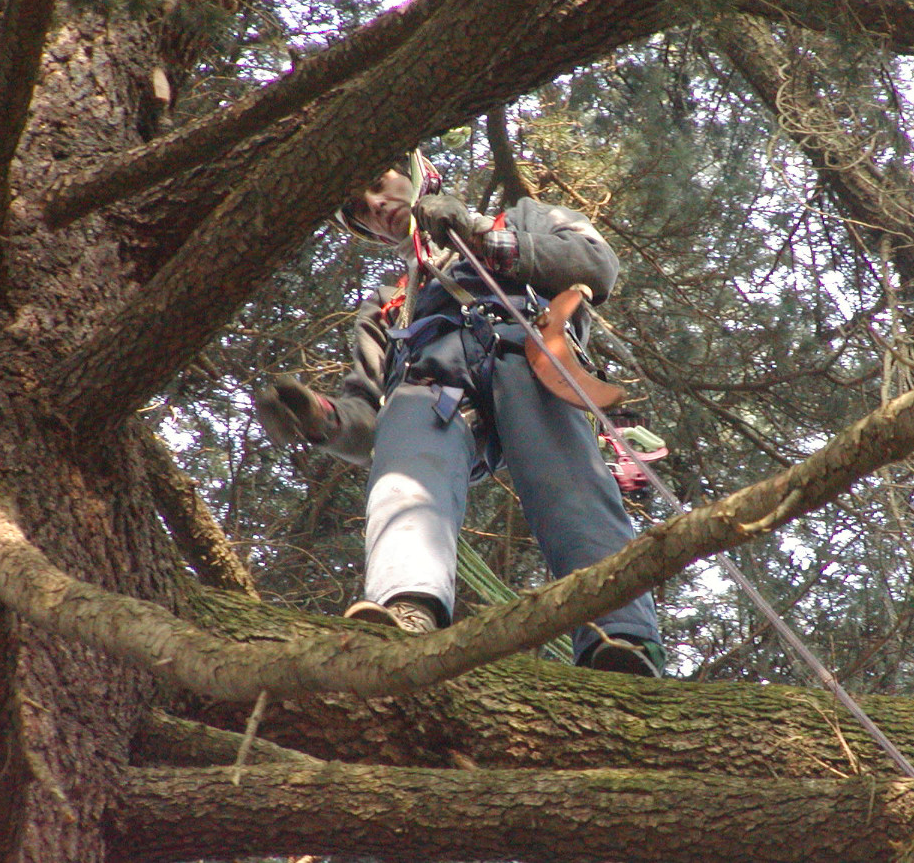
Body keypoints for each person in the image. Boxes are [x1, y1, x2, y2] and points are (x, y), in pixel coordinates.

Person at [256, 152, 664, 676]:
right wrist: (319, 419)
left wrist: (474, 234)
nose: (377, 205)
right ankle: (407, 608)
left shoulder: (521, 219)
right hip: (431, 386)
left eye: (380, 185)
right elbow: (367, 417)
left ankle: (621, 636)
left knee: (572, 490)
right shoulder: (389, 301)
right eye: (361, 210)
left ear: (419, 174)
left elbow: (595, 267)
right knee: (405, 472)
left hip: (528, 358)